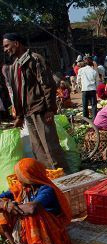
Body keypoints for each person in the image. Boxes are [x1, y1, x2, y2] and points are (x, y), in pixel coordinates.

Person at [2, 33, 69, 173]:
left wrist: (50, 108)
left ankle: (64, 177)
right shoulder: (15, 65)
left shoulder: (35, 59)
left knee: (50, 147)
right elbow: (17, 92)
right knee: (38, 149)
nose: (5, 49)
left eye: (7, 45)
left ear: (17, 43)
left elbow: (47, 84)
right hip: (28, 113)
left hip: (41, 110)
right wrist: (20, 115)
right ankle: (49, 178)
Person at [0, 158, 73, 244]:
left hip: (50, 230)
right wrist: (6, 205)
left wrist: (12, 206)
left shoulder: (46, 189)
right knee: (2, 211)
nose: (18, 177)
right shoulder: (22, 187)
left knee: (33, 213)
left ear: (29, 176)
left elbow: (32, 208)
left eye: (20, 175)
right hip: (30, 229)